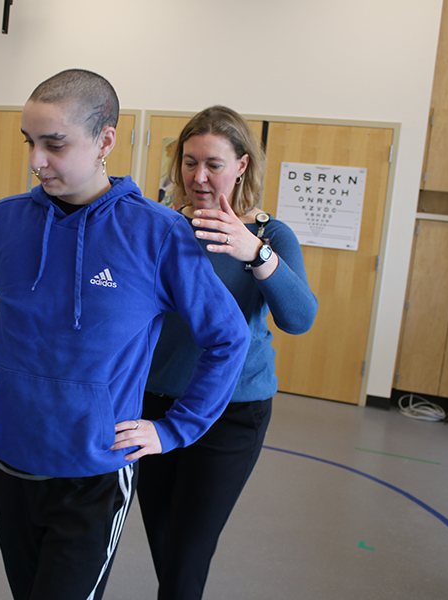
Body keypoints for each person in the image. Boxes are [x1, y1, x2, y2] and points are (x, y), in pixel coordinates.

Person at [0, 72, 250, 600]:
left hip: (94, 476)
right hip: (10, 462)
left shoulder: (158, 234)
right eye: (29, 142)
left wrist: (174, 431)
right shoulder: (4, 222)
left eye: (54, 144)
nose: (36, 161)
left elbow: (227, 338)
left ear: (105, 140)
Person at [138, 105, 318, 600]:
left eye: (213, 164)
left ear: (241, 165)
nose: (198, 176)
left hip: (233, 411)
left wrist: (253, 253)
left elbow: (299, 319)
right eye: (189, 162)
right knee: (165, 542)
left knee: (186, 556)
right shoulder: (162, 226)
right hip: (156, 406)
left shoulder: (270, 236)